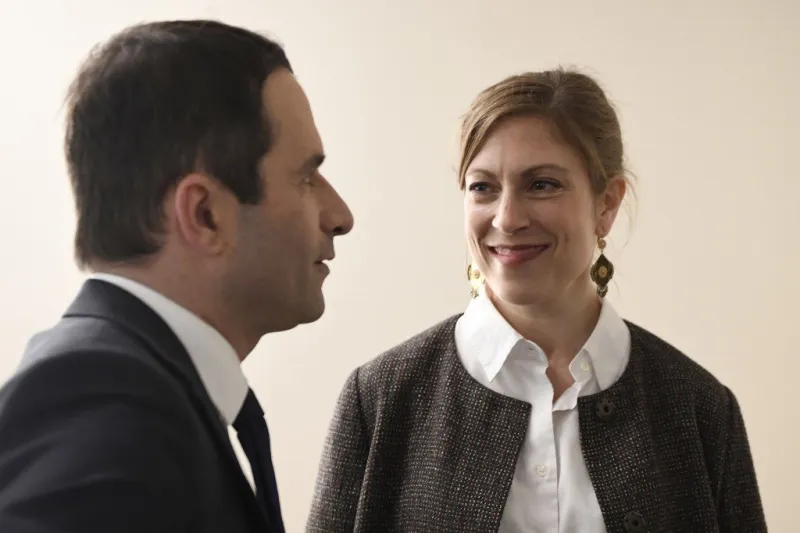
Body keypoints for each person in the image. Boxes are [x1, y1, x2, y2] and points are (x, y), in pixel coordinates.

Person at [307, 68, 765, 533]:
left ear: (606, 204)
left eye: (542, 184)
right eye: (482, 187)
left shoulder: (699, 409)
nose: (507, 219)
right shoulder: (380, 399)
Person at [0, 19, 353, 533]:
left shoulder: (140, 390)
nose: (341, 214)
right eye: (305, 177)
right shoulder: (96, 398)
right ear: (205, 214)